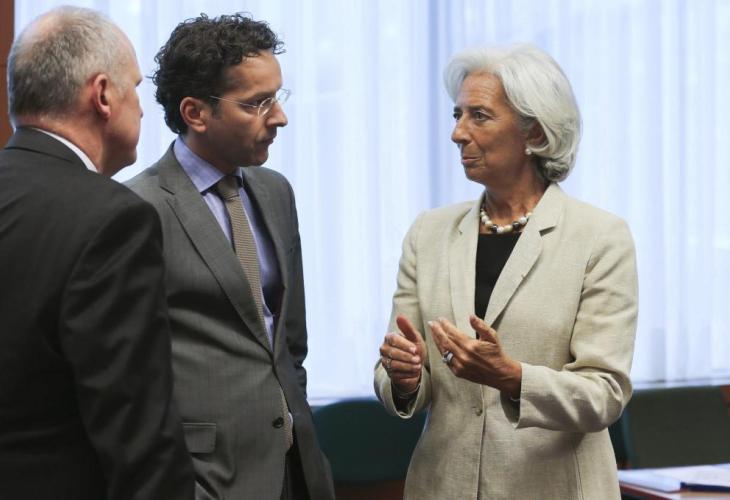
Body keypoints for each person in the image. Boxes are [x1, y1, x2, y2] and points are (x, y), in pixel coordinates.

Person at [374, 44, 638, 499]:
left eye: (479, 116)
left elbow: (604, 394)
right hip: (444, 486)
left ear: (534, 131)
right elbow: (396, 368)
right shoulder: (428, 233)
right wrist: (404, 377)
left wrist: (512, 377)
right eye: (457, 114)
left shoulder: (600, 237)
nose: (457, 133)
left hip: (553, 488)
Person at [126, 14, 334, 500]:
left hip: (296, 467)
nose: (279, 117)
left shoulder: (276, 191)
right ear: (196, 113)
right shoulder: (138, 210)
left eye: (277, 97)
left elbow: (289, 341)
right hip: (205, 478)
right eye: (257, 103)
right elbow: (131, 378)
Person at [0, 7, 194, 500]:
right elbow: (139, 435)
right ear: (103, 94)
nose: (143, 110)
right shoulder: (112, 219)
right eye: (137, 88)